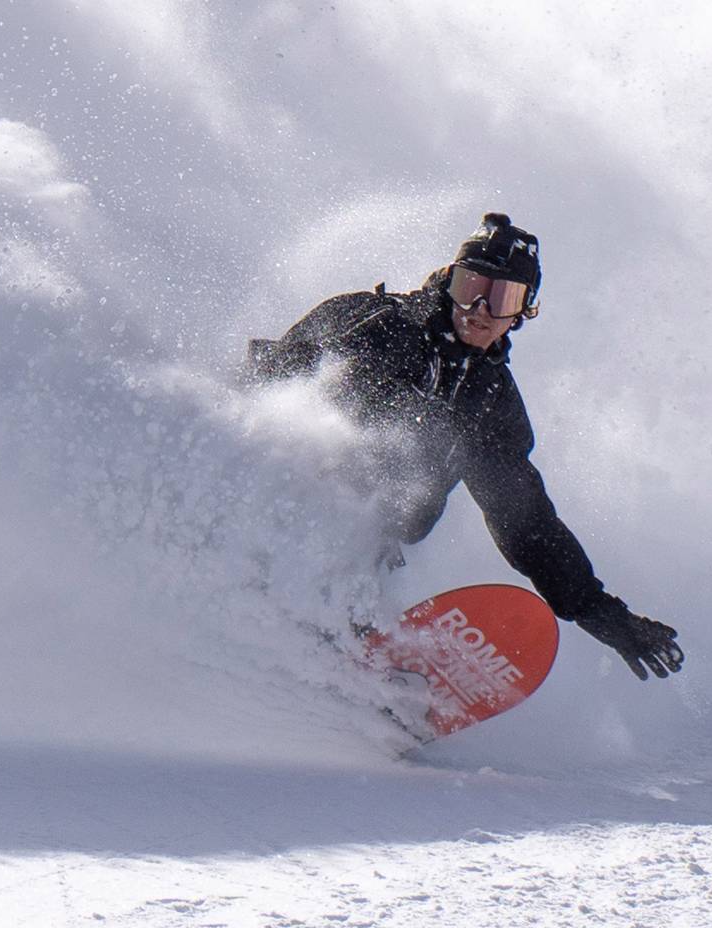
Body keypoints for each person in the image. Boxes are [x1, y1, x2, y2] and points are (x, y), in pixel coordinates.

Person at [247, 213, 684, 681]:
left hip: (364, 546)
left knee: (384, 536)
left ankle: (342, 655)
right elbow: (268, 377)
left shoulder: (490, 403)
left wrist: (601, 613)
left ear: (523, 311)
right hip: (283, 500)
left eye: (502, 298)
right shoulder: (378, 324)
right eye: (470, 286)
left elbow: (526, 524)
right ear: (449, 280)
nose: (480, 309)